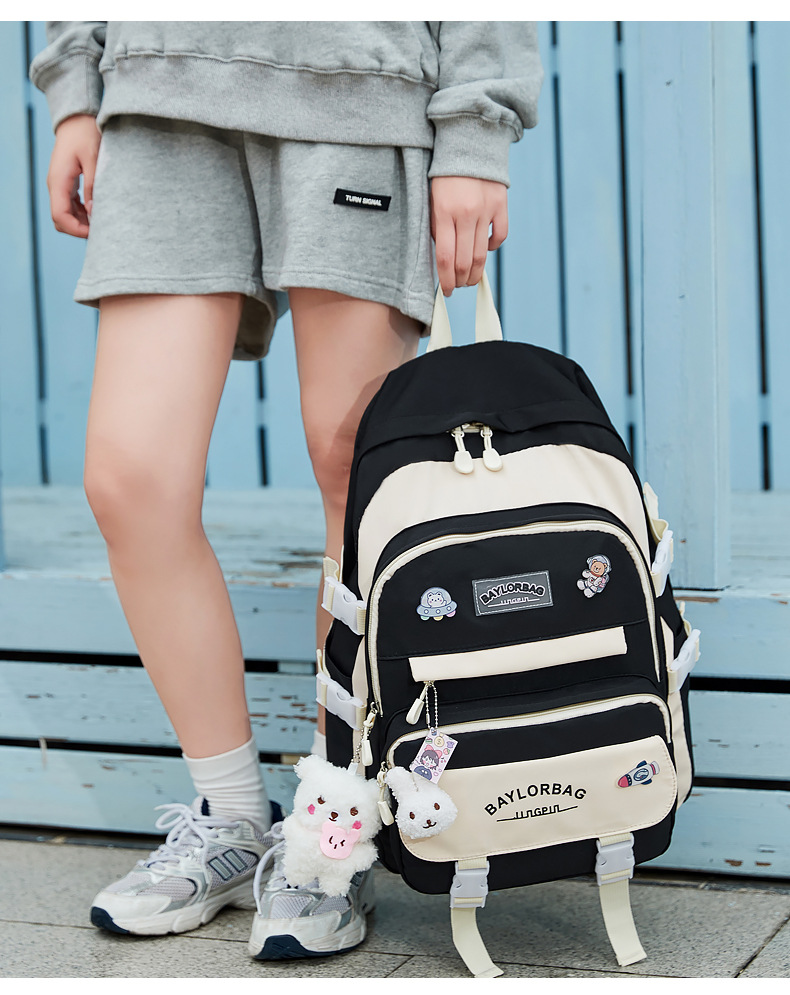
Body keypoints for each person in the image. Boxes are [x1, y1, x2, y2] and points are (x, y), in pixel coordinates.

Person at [29, 19, 544, 961]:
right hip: (157, 91)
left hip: (356, 85)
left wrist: (476, 130)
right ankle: (229, 816)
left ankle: (327, 829)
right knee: (130, 477)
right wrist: (76, 81)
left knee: (357, 471)